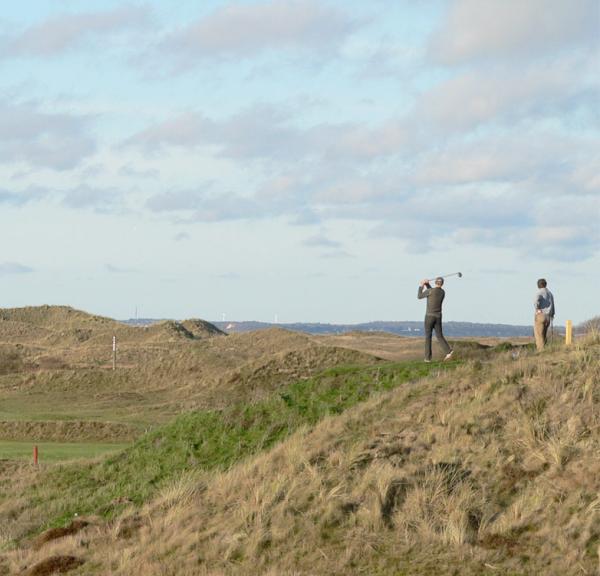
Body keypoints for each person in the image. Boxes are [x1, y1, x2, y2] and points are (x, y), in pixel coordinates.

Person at [417, 277, 453, 362]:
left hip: (429, 316)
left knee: (428, 337)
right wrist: (427, 284)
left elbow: (419, 296)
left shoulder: (430, 291)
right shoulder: (442, 292)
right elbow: (432, 291)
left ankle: (427, 358)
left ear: (435, 282)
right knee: (439, 335)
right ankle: (448, 351)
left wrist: (421, 285)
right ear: (442, 284)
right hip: (438, 317)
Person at [534, 278, 555, 351]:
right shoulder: (550, 293)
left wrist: (537, 308)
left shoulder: (539, 292)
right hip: (548, 316)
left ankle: (541, 351)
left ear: (538, 285)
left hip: (541, 315)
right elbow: (553, 305)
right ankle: (545, 350)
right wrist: (552, 315)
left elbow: (536, 300)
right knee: (544, 334)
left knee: (539, 335)